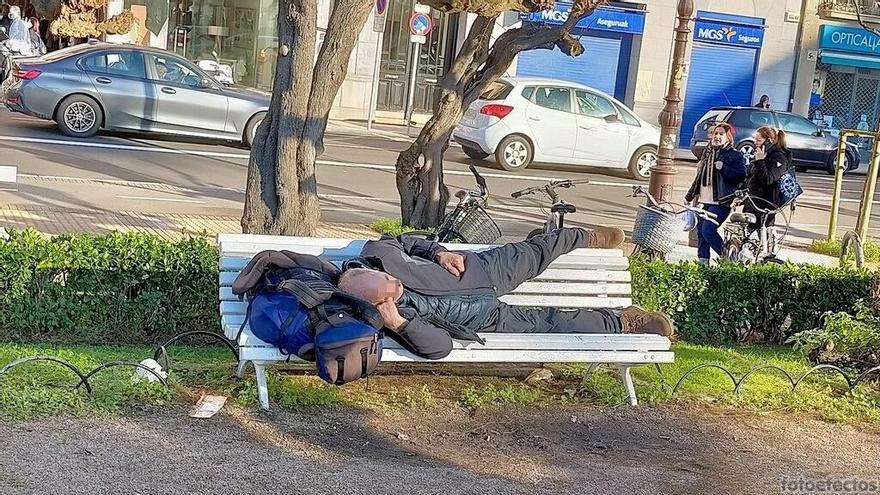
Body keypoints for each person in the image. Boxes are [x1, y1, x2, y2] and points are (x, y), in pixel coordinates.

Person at [336, 228, 675, 361]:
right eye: (391, 293)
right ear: (377, 303)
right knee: (553, 324)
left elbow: (406, 240)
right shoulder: (386, 316)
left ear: (372, 268)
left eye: (389, 279)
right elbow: (439, 348)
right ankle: (623, 323)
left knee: (536, 250)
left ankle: (585, 237)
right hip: (484, 319)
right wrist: (397, 323)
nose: (397, 287)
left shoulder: (378, 251)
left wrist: (438, 252)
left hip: (480, 270)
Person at [684, 123, 747, 265]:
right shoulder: (708, 153)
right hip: (704, 201)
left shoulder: (734, 155)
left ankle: (730, 261)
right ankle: (703, 264)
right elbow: (699, 179)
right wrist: (689, 196)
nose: (717, 136)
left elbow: (741, 175)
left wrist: (723, 168)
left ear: (728, 137)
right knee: (701, 232)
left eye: (721, 134)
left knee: (708, 230)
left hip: (721, 202)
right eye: (715, 133)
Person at [747, 126, 792, 230]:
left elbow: (769, 179)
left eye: (759, 140)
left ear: (769, 141)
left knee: (764, 235)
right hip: (753, 201)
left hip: (766, 204)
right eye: (755, 140)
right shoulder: (762, 154)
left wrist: (760, 161)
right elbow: (751, 176)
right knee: (746, 233)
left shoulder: (779, 157)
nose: (755, 143)